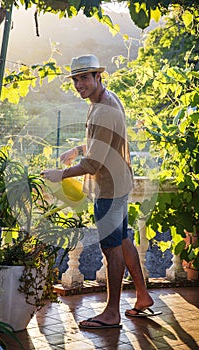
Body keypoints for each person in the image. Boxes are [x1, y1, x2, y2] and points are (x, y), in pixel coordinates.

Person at [41, 54, 161, 329]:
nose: (79, 84)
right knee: (124, 240)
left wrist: (61, 175)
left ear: (98, 76)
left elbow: (95, 162)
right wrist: (79, 149)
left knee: (111, 250)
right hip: (120, 184)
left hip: (109, 189)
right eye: (76, 79)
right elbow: (104, 142)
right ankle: (142, 296)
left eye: (85, 77)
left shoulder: (103, 107)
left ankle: (111, 313)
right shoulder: (107, 99)